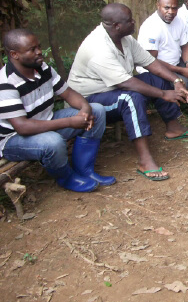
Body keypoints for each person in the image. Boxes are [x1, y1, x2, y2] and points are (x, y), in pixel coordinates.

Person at [68, 3, 188, 181]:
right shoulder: (98, 48)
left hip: (114, 88)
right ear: (117, 26)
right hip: (90, 101)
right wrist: (163, 94)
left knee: (156, 79)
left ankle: (173, 127)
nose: (134, 22)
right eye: (129, 20)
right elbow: (126, 83)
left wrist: (176, 81)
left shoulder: (125, 39)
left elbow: (150, 63)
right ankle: (145, 161)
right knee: (131, 98)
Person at [0, 29, 115, 193]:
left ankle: (84, 170)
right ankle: (66, 177)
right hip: (14, 138)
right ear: (14, 54)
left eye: (39, 46)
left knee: (96, 110)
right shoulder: (6, 84)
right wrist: (70, 122)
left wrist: (85, 108)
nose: (39, 52)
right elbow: (22, 127)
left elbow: (68, 93)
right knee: (52, 142)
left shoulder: (42, 68)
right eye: (32, 49)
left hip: (46, 120)